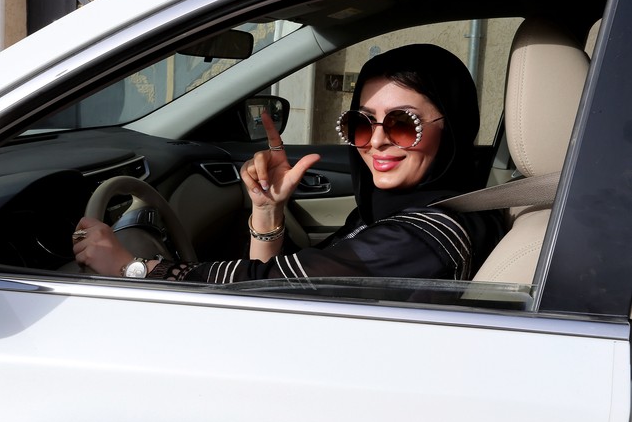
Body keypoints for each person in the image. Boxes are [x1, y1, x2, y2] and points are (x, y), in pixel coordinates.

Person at [72, 43, 506, 283]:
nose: (376, 142)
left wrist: (131, 267)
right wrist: (267, 209)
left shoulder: (429, 235)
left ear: (452, 125)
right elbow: (280, 284)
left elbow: (265, 285)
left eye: (401, 124)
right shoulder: (395, 211)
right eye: (360, 123)